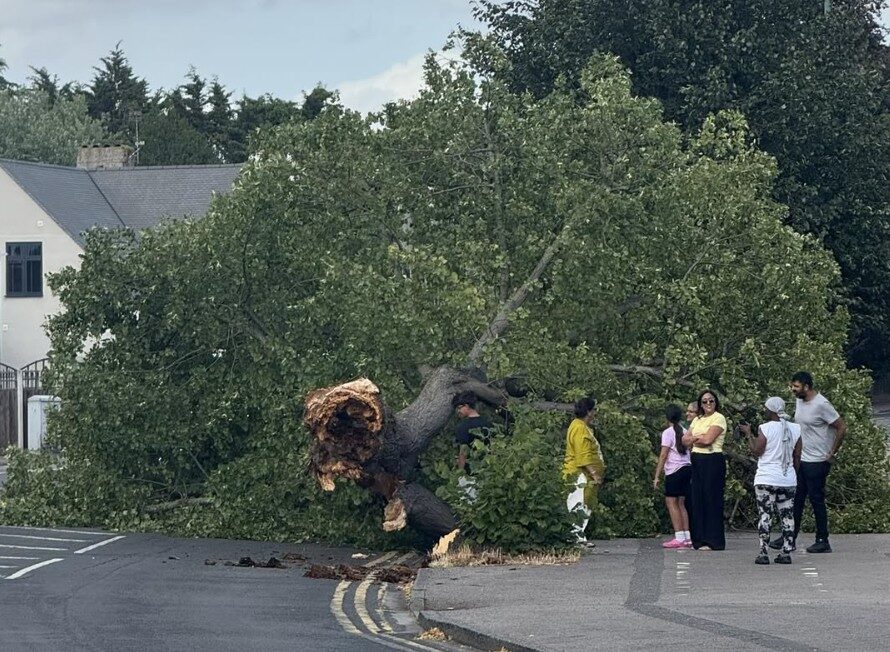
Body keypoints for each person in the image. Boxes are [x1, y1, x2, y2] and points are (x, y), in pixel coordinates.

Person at [770, 371, 846, 554]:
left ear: (806, 386)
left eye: (796, 386)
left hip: (818, 460)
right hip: (802, 458)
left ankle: (822, 539)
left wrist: (832, 452)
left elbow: (841, 427)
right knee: (795, 499)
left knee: (816, 499)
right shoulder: (799, 401)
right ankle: (789, 536)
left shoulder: (822, 404)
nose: (793, 390)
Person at [740, 397, 802, 565]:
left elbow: (757, 451)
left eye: (766, 409)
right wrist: (792, 474)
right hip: (788, 478)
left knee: (765, 515)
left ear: (772, 410)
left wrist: (748, 434)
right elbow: (797, 455)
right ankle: (786, 551)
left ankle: (763, 552)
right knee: (787, 515)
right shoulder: (796, 428)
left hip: (766, 478)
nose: (764, 411)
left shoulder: (765, 428)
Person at [682, 390, 727, 551]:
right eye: (705, 401)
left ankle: (713, 540)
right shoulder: (698, 419)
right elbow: (684, 439)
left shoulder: (719, 418)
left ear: (716, 402)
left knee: (711, 498)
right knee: (696, 499)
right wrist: (695, 439)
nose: (708, 404)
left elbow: (708, 440)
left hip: (712, 459)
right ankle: (699, 539)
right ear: (700, 404)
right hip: (697, 459)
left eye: (711, 401)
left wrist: (695, 439)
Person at [564, 396, 606, 545]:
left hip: (584, 475)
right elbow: (583, 455)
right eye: (593, 409)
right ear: (588, 411)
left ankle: (579, 536)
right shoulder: (579, 428)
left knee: (585, 504)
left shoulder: (581, 426)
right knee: (579, 504)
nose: (594, 413)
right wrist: (594, 473)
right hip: (579, 475)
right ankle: (576, 537)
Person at [653, 404, 692, 548]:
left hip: (674, 470)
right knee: (681, 503)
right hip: (686, 468)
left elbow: (664, 455)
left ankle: (679, 536)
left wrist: (657, 475)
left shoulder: (668, 432)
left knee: (671, 503)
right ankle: (687, 536)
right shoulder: (685, 430)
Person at [451, 391, 492, 474]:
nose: (458, 411)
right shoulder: (488, 423)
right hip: (488, 471)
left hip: (470, 473)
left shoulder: (463, 427)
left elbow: (463, 452)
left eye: (459, 408)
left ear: (466, 406)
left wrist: (460, 472)